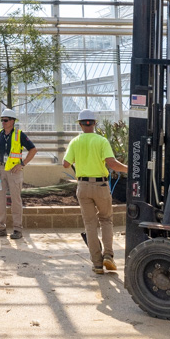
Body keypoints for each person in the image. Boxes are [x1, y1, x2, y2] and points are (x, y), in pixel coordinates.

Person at [63, 110, 128, 275]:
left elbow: (65, 164)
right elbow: (112, 163)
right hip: (100, 186)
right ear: (94, 123)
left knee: (90, 224)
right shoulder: (101, 141)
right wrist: (130, 169)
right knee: (106, 220)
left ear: (80, 124)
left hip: (83, 187)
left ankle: (97, 264)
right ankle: (108, 255)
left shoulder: (75, 142)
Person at [0, 108, 36, 240]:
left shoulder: (19, 135)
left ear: (13, 121)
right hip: (0, 171)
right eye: (2, 120)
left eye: (5, 120)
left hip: (14, 172)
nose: (3, 122)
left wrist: (22, 164)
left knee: (16, 200)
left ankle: (17, 229)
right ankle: (0, 228)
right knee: (0, 200)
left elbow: (33, 150)